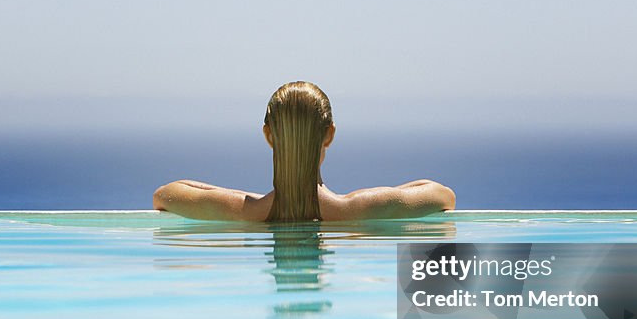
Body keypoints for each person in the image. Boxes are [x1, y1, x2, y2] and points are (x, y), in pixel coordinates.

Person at [152, 81, 456, 221]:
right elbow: (443, 196)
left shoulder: (242, 212)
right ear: (330, 135)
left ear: (268, 135)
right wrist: (383, 195)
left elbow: (166, 195)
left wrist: (230, 195)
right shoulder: (359, 209)